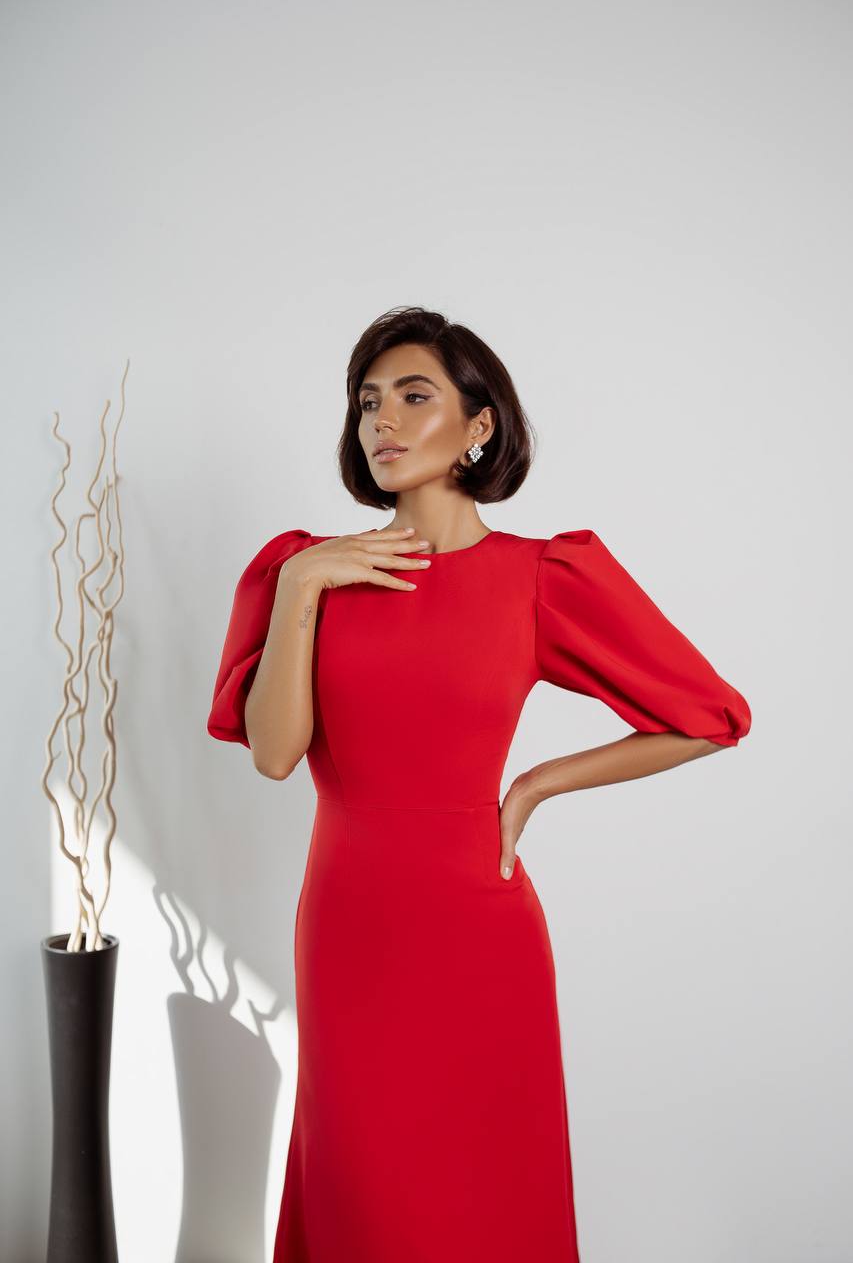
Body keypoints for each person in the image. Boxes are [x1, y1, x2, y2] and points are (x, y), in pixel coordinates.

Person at [207, 305, 751, 1262]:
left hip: (478, 926)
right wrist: (301, 588)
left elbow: (708, 715)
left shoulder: (537, 576)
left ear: (477, 425)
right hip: (348, 924)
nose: (382, 420)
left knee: (484, 1186)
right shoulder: (307, 572)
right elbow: (274, 752)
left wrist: (538, 783)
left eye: (414, 396)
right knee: (361, 1181)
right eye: (367, 401)